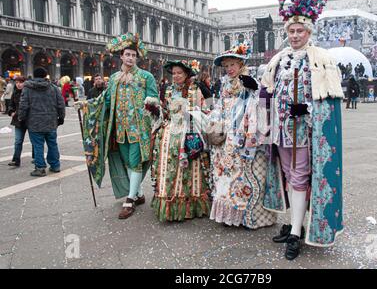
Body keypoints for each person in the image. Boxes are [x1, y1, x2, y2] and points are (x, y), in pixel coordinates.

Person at [261, 0, 344, 260]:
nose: (295, 35)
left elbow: (327, 99)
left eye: (300, 31)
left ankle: (296, 232)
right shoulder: (279, 59)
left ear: (309, 32)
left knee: (298, 177)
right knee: (289, 176)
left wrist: (306, 108)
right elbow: (267, 91)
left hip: (304, 133)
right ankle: (296, 222)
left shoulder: (321, 59)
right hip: (281, 134)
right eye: (291, 31)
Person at [75, 33, 160, 220]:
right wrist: (86, 104)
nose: (130, 58)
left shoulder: (146, 77)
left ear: (137, 58)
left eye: (133, 55)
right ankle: (137, 193)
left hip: (139, 129)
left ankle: (129, 200)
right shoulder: (113, 78)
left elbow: (155, 98)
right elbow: (104, 99)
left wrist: (151, 101)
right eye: (127, 55)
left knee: (135, 160)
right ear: (121, 56)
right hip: (119, 129)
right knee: (128, 162)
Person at [208, 42, 277, 230]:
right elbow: (219, 106)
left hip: (245, 135)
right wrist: (214, 122)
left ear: (240, 65)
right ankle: (231, 214)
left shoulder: (249, 81)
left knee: (243, 176)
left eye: (233, 65)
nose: (229, 69)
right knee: (227, 176)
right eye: (226, 66)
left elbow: (262, 105)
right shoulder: (225, 85)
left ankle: (247, 216)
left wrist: (254, 89)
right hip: (227, 136)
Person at [152, 60, 211, 222]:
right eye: (174, 73)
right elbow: (165, 111)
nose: (176, 76)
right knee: (169, 164)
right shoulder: (168, 90)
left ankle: (191, 203)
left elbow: (206, 109)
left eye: (180, 73)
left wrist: (192, 114)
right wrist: (155, 109)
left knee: (192, 166)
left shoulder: (195, 89)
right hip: (170, 132)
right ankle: (170, 201)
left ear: (186, 75)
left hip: (189, 131)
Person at [18, 68, 65, 177]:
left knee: (38, 145)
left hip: (34, 122)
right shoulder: (53, 87)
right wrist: (61, 117)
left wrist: (21, 118)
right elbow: (61, 104)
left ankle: (40, 168)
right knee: (52, 144)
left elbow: (23, 105)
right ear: (45, 76)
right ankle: (55, 165)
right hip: (51, 121)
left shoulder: (28, 88)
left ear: (34, 75)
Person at [7, 76, 34, 167]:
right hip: (18, 121)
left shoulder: (30, 92)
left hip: (30, 120)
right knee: (18, 141)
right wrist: (11, 112)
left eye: (20, 82)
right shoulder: (15, 93)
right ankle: (16, 160)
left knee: (34, 140)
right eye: (17, 82)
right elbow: (11, 105)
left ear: (25, 82)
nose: (18, 84)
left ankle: (35, 158)